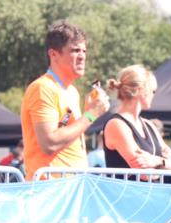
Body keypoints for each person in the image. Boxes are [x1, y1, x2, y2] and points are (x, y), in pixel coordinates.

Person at [20, 21, 109, 181]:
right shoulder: (43, 88)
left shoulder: (72, 91)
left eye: (84, 50)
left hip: (70, 187)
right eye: (75, 50)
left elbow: (68, 136)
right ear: (53, 54)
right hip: (50, 190)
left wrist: (87, 112)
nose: (82, 56)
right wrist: (90, 115)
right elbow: (49, 143)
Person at [102, 65, 171, 178]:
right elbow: (144, 174)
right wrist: (166, 164)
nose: (154, 95)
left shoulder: (148, 125)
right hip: (127, 194)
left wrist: (157, 161)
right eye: (153, 91)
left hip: (151, 193)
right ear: (140, 91)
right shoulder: (116, 124)